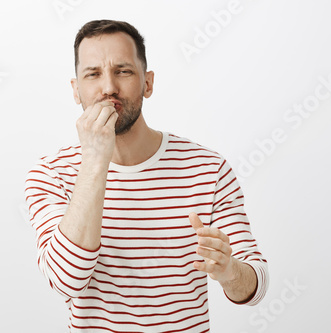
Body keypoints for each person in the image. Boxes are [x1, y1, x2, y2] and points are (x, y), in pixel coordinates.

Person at [24, 19, 269, 332]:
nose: (109, 87)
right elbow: (64, 281)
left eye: (123, 71)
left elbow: (256, 287)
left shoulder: (208, 168)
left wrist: (230, 270)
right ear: (76, 90)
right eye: (93, 74)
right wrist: (96, 160)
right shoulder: (50, 174)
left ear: (148, 83)